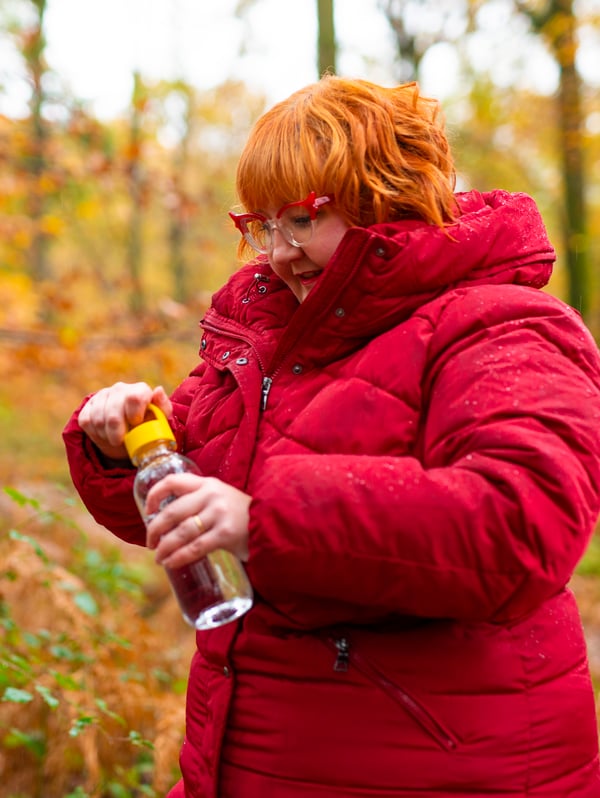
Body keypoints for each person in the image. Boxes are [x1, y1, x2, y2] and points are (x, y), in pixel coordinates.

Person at [63, 75, 600, 797]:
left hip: (442, 766)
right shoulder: (270, 336)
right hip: (249, 758)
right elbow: (184, 503)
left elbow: (520, 524)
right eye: (261, 226)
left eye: (302, 218)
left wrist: (266, 520)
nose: (279, 253)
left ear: (385, 193)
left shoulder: (502, 326)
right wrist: (126, 439)